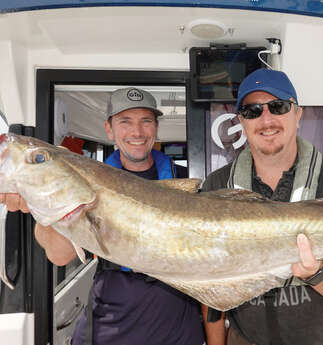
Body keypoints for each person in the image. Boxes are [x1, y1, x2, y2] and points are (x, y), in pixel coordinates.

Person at [0, 87, 205, 345]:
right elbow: (59, 255)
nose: (137, 132)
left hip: (176, 318)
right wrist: (40, 205)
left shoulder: (188, 181)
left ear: (156, 127)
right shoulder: (84, 181)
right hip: (112, 319)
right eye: (125, 122)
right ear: (109, 129)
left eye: (146, 121)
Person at [201, 69, 323, 345]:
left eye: (278, 106)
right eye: (253, 111)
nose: (266, 119)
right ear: (241, 121)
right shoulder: (217, 185)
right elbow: (211, 290)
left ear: (297, 114)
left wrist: (318, 270)